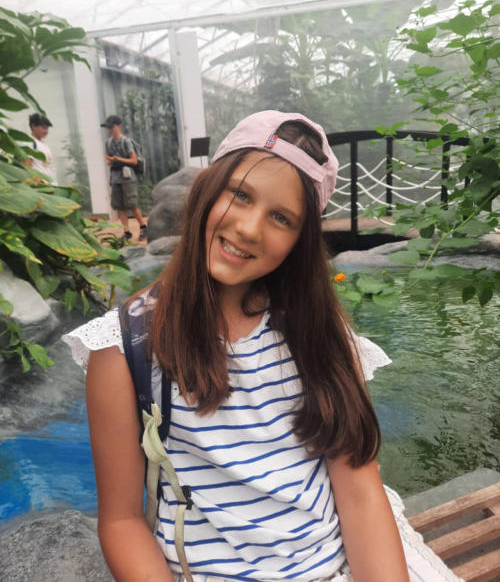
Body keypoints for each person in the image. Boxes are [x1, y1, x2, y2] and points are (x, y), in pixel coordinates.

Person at [64, 111, 462, 581]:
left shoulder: (317, 334)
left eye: (281, 218)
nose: (250, 229)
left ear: (300, 241)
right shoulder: (124, 348)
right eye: (240, 194)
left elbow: (358, 490)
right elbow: (122, 520)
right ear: (207, 188)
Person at [102, 114, 147, 241]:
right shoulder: (108, 143)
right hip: (115, 178)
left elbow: (134, 161)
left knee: (132, 205)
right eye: (108, 128)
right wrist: (110, 161)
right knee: (119, 207)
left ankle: (143, 227)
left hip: (128, 178)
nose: (109, 130)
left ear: (119, 126)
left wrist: (118, 159)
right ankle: (126, 232)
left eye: (111, 127)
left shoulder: (126, 142)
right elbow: (109, 162)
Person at [26, 113, 58, 184]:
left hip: (50, 184)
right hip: (40, 185)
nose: (46, 131)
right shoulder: (29, 142)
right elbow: (26, 166)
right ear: (33, 126)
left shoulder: (43, 144)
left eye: (47, 128)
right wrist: (38, 182)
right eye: (44, 128)